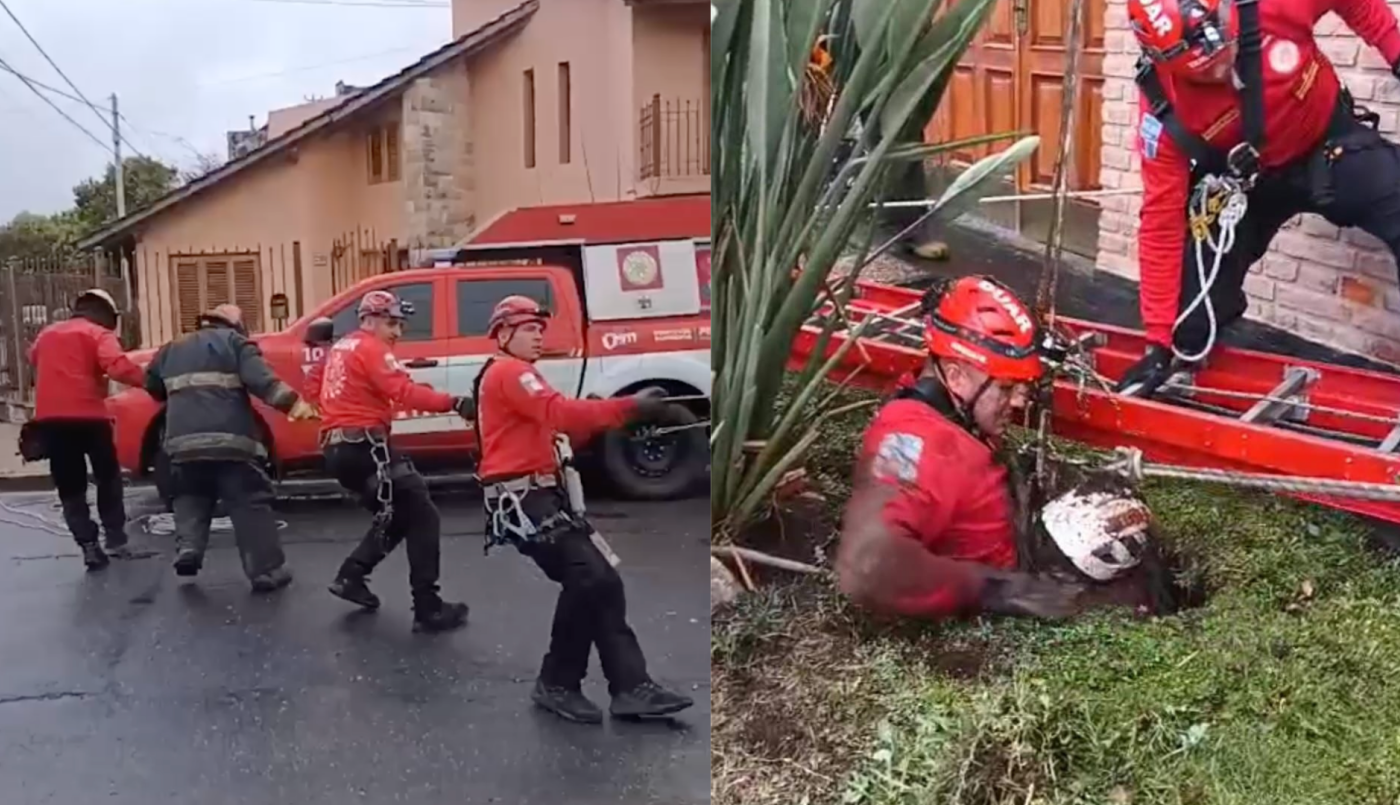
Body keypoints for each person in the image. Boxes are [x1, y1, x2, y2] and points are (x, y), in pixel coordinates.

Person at [1115, 0, 1400, 397]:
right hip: (1247, 182)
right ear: (1162, 60)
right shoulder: (1161, 114)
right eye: (1208, 71)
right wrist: (1158, 343)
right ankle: (1191, 351)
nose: (1224, 67)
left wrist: (1395, 49)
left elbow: (1357, 5)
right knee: (1188, 326)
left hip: (1328, 145)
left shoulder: (1273, 6)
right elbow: (1160, 224)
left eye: (1226, 48)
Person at [835, 276, 1153, 620]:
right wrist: (997, 590)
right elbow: (867, 564)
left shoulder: (956, 414)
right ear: (956, 376)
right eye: (1006, 388)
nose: (1019, 401)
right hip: (1001, 602)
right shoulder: (913, 440)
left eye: (1021, 386)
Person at [473, 295, 694, 724]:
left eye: (540, 328)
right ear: (503, 334)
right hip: (526, 500)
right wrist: (631, 407)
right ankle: (562, 683)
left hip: (537, 497)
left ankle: (629, 686)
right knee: (590, 578)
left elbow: (552, 421)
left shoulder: (513, 373)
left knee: (600, 582)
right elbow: (560, 413)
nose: (539, 335)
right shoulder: (511, 372)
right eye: (528, 328)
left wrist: (600, 411)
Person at [310, 290, 474, 633]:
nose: (398, 332)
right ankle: (428, 608)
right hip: (365, 446)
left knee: (400, 515)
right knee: (424, 515)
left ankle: (352, 576)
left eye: (400, 325)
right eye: (391, 323)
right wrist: (454, 402)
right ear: (368, 320)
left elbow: (316, 390)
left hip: (339, 450)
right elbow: (404, 391)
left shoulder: (341, 349)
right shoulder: (372, 349)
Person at [144, 304, 317, 591]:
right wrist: (296, 406)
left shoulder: (171, 347)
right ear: (235, 326)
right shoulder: (236, 344)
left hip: (181, 446)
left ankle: (189, 548)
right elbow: (264, 383)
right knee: (249, 499)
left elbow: (153, 387)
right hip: (231, 443)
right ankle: (266, 571)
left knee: (189, 494)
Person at [27, 288, 145, 571]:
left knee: (70, 486)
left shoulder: (47, 335)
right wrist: (151, 382)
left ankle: (89, 546)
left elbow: (33, 359)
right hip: (91, 417)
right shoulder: (98, 334)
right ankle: (116, 539)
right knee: (108, 477)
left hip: (52, 420)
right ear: (104, 313)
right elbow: (117, 367)